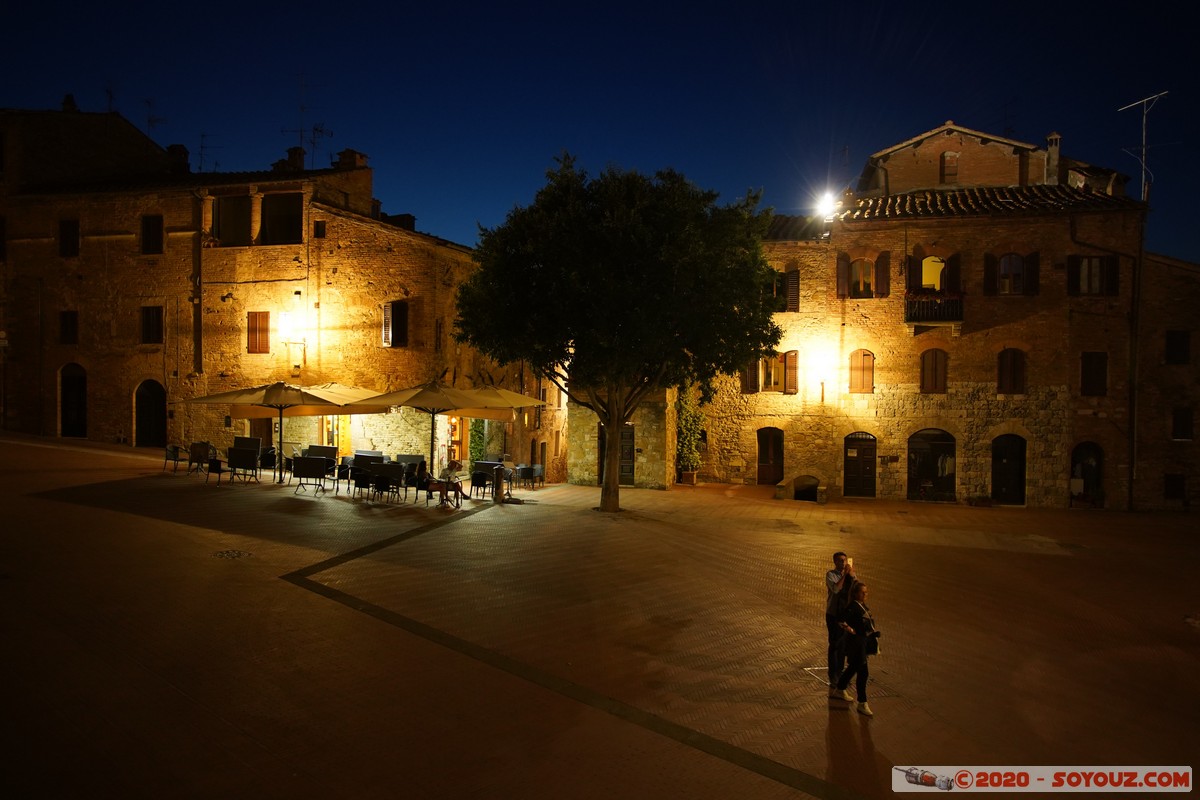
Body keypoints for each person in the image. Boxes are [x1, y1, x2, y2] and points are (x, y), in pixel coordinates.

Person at [835, 582, 879, 717]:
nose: (865, 594)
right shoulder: (853, 606)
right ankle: (862, 702)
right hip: (857, 644)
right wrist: (851, 630)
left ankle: (840, 688)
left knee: (854, 667)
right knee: (863, 672)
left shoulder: (862, 605)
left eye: (866, 592)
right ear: (856, 594)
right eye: (862, 592)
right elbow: (841, 619)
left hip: (863, 642)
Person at [825, 551, 858, 696]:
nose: (843, 563)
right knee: (835, 644)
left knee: (843, 645)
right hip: (833, 615)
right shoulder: (831, 575)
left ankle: (840, 673)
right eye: (840, 561)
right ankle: (833, 676)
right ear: (835, 562)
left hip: (845, 615)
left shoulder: (850, 575)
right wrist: (844, 575)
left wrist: (852, 575)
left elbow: (856, 589)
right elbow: (836, 589)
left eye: (844, 561)